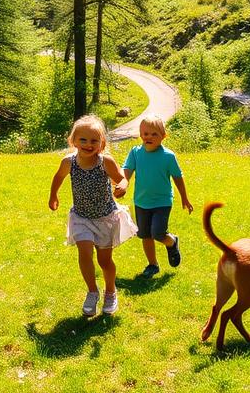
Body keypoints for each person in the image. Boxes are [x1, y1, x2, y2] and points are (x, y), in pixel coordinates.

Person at [49, 114, 137, 316]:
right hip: (81, 217)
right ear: (73, 141)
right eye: (83, 140)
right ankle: (92, 292)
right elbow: (58, 177)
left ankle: (111, 292)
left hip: (105, 218)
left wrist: (122, 186)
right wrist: (53, 195)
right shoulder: (68, 162)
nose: (88, 144)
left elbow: (121, 179)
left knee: (105, 261)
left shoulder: (104, 161)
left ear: (102, 143)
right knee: (85, 252)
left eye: (94, 141)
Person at [121, 114, 194, 277]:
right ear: (141, 135)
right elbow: (126, 170)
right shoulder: (135, 153)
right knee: (145, 235)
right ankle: (152, 265)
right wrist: (123, 182)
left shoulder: (168, 156)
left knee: (158, 233)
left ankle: (172, 242)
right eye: (145, 133)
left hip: (162, 201)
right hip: (141, 201)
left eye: (154, 134)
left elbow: (177, 176)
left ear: (163, 136)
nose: (149, 137)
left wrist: (184, 197)